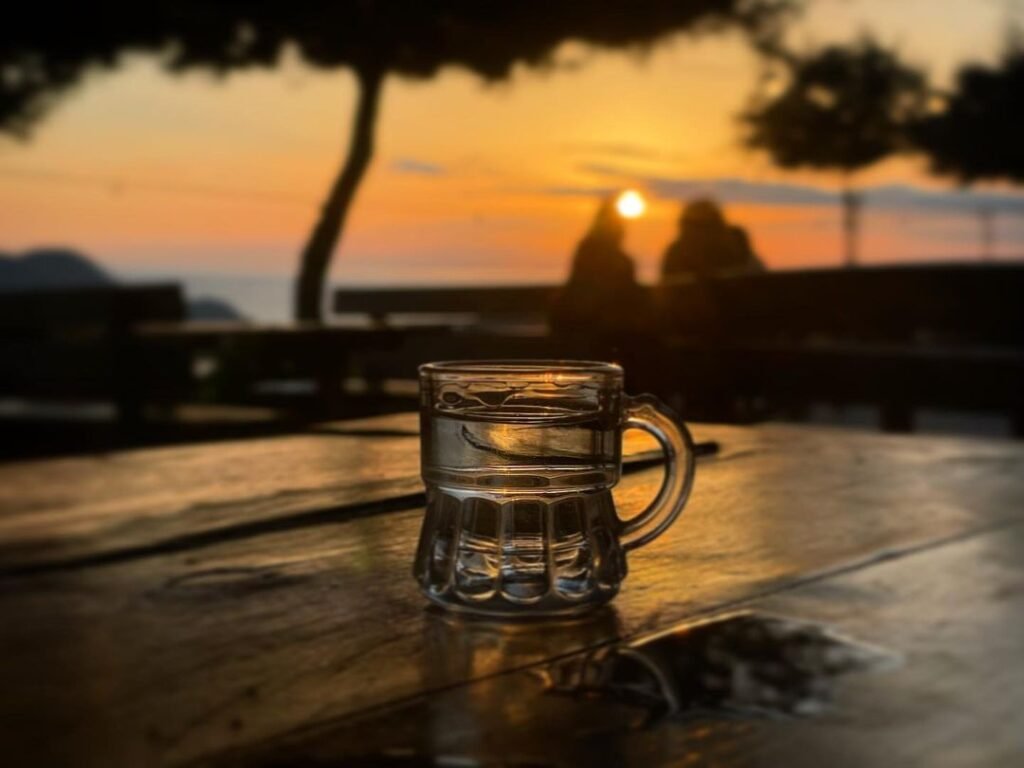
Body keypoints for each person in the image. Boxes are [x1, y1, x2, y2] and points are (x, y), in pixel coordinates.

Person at [549, 199, 651, 336]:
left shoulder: (591, 250)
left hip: (590, 321)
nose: (622, 229)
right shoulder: (599, 253)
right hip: (591, 323)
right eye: (618, 224)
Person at [660, 199, 764, 281]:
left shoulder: (739, 249)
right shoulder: (675, 256)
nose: (702, 236)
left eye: (705, 227)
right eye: (696, 228)